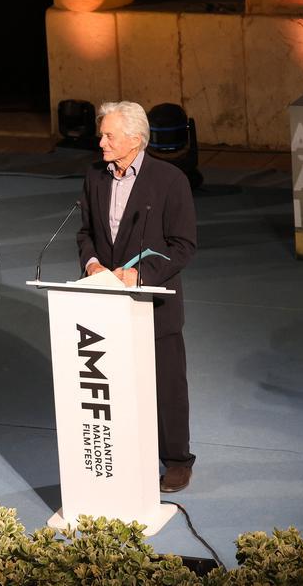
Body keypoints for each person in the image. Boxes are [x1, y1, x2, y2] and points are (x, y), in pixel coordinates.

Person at [76, 100, 198, 492]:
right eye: (102, 134)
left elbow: (183, 245)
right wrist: (93, 263)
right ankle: (128, 454)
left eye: (109, 135)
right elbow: (86, 233)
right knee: (117, 385)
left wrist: (140, 275)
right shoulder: (95, 177)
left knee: (166, 385)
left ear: (135, 138)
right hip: (106, 305)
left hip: (154, 303)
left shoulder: (169, 180)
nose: (101, 142)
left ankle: (177, 460)